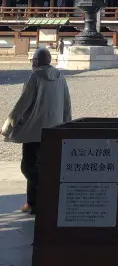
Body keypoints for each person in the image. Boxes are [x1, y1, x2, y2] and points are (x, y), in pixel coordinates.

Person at [1, 47, 72, 214]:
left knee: (28, 167)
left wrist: (6, 127)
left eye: (33, 60)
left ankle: (42, 198)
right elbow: (67, 104)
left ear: (36, 61)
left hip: (34, 130)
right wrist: (66, 125)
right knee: (43, 166)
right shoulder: (60, 77)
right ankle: (34, 202)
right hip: (54, 129)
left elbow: (22, 104)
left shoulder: (35, 76)